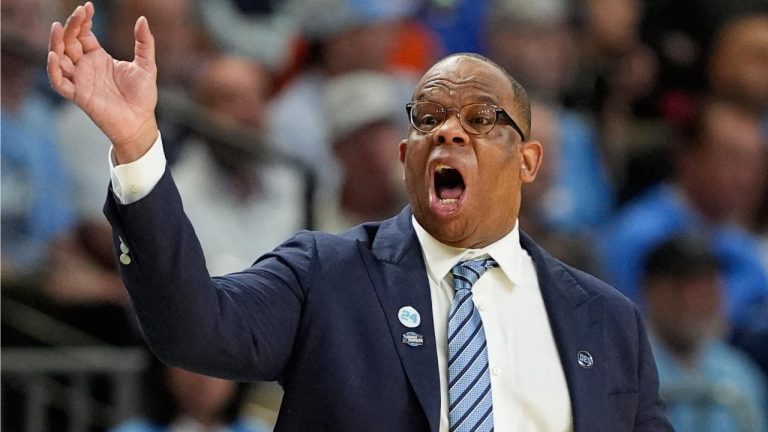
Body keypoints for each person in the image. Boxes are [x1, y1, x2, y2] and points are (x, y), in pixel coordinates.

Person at [47, 3, 672, 431]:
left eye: (480, 120)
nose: (448, 133)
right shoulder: (327, 274)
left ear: (529, 161)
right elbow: (191, 328)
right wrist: (136, 147)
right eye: (427, 120)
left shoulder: (607, 321)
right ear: (407, 158)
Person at [641, 235, 767, 432]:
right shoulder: (626, 365)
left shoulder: (740, 373)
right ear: (654, 291)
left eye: (709, 290)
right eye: (687, 290)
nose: (700, 303)